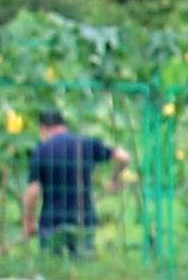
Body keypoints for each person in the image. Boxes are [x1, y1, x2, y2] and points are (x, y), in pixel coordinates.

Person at [20, 107, 120, 257]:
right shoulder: (86, 144)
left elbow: (33, 191)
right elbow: (123, 156)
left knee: (53, 269)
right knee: (83, 269)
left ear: (42, 128)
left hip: (52, 222)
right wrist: (114, 178)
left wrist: (29, 221)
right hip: (83, 219)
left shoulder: (41, 151)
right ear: (63, 125)